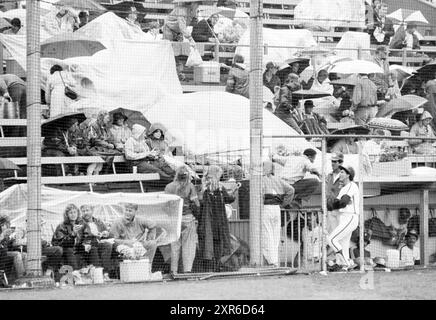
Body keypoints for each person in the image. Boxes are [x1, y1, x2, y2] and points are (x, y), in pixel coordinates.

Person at [197, 165, 237, 272]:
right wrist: (234, 191)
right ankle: (217, 266)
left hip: (206, 220)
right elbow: (229, 199)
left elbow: (199, 202)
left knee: (207, 244)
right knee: (219, 242)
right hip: (218, 220)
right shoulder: (219, 187)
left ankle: (208, 267)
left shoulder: (204, 186)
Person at [164, 167, 200, 274]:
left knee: (174, 245)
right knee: (188, 246)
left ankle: (173, 270)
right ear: (187, 176)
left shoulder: (169, 187)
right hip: (188, 218)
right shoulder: (190, 186)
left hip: (174, 219)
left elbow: (166, 205)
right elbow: (196, 204)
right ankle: (187, 270)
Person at [326, 165, 359, 270]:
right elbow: (335, 205)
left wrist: (337, 203)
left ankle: (344, 262)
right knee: (343, 244)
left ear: (348, 175)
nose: (340, 174)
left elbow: (343, 202)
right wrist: (336, 203)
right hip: (344, 217)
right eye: (340, 172)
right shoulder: (343, 188)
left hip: (350, 216)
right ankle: (346, 265)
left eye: (342, 172)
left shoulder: (351, 185)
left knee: (331, 239)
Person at [262, 160, 294, 266]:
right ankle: (275, 260)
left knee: (267, 234)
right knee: (276, 235)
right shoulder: (278, 179)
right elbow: (291, 190)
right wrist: (283, 204)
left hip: (265, 207)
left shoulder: (261, 180)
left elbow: (260, 195)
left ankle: (271, 260)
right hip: (277, 208)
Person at [163, 1, 199, 81]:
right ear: (192, 3)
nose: (198, 5)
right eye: (197, 3)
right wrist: (190, 39)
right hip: (169, 29)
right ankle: (168, 75)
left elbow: (188, 24)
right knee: (169, 52)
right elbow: (182, 26)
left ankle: (177, 74)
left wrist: (194, 19)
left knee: (177, 53)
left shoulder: (193, 11)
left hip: (178, 32)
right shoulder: (181, 10)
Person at [79, 205, 116, 277]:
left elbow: (109, 234)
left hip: (99, 242)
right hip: (87, 244)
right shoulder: (80, 223)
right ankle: (98, 274)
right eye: (83, 211)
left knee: (107, 245)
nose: (85, 213)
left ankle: (105, 273)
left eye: (87, 210)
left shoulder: (98, 221)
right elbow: (80, 237)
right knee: (94, 249)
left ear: (92, 211)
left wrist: (106, 233)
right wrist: (93, 237)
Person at [86, 110, 121, 175]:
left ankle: (96, 180)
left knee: (100, 166)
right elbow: (94, 140)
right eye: (107, 118)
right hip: (92, 148)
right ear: (102, 117)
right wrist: (108, 145)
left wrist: (115, 144)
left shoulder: (105, 127)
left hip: (103, 148)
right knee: (95, 163)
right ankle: (89, 179)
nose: (108, 120)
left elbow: (111, 138)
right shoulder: (93, 125)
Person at [52, 204, 84, 270]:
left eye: (75, 212)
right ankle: (75, 273)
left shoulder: (81, 224)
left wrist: (87, 243)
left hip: (77, 248)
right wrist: (73, 234)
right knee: (70, 250)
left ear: (78, 213)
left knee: (92, 248)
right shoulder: (62, 225)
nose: (73, 214)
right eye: (71, 213)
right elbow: (61, 242)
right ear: (67, 215)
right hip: (65, 248)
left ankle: (97, 271)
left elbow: (87, 236)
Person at [326, 152, 344, 233]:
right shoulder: (329, 175)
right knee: (330, 233)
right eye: (332, 161)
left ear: (340, 162)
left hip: (340, 209)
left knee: (339, 233)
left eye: (335, 161)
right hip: (329, 208)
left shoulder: (345, 175)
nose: (332, 163)